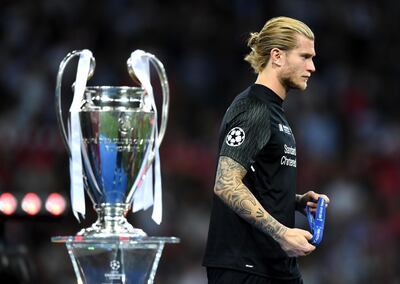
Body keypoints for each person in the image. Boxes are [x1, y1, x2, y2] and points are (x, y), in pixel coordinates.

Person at [203, 16, 330, 284]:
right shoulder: (254, 110)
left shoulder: (274, 112)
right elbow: (226, 183)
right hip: (245, 266)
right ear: (277, 56)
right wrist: (282, 232)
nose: (312, 67)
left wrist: (293, 201)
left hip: (273, 265)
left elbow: (256, 180)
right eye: (305, 56)